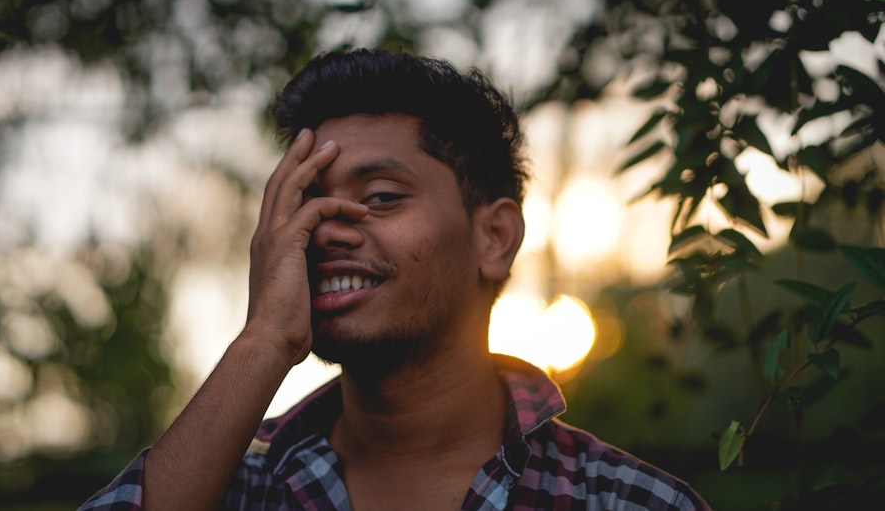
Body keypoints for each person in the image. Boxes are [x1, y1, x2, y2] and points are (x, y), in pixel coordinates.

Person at [79, 49, 711, 510]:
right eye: (306, 201)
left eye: (380, 196)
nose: (325, 229)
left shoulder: (629, 502)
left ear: (493, 238)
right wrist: (264, 341)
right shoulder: (230, 493)